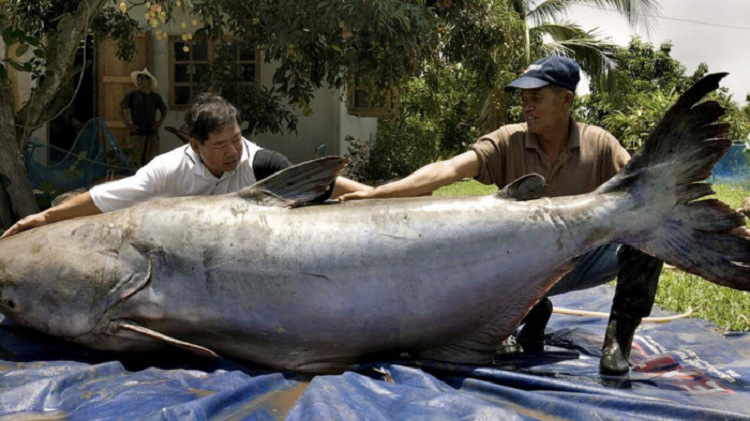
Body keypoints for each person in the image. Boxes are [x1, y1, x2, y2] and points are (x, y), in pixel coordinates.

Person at [339, 56, 750, 375]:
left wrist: (728, 223)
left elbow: (647, 197)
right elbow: (446, 170)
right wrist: (376, 194)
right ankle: (531, 314)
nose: (526, 103)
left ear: (566, 99)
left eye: (537, 95)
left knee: (644, 228)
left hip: (584, 258)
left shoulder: (600, 144)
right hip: (518, 268)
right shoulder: (507, 140)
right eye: (523, 95)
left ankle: (617, 341)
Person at [1, 93, 371, 239]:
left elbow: (320, 183)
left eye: (237, 139)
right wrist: (45, 219)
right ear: (194, 145)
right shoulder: (165, 172)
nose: (233, 151)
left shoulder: (259, 162)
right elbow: (103, 199)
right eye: (221, 145)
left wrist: (377, 196)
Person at [120, 68, 168, 167]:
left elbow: (164, 110)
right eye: (138, 79)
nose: (140, 82)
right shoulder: (132, 95)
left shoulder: (155, 97)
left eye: (142, 79)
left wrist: (159, 123)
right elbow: (120, 108)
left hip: (151, 132)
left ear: (148, 81)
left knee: (151, 159)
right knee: (136, 160)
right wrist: (128, 124)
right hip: (138, 132)